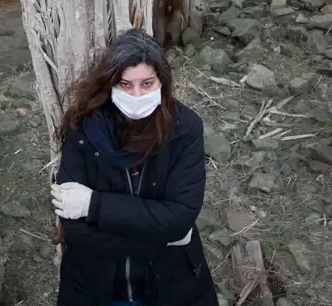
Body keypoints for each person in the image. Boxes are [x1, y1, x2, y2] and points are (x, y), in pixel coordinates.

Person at [51, 28, 217, 306]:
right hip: (95, 285)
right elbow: (76, 229)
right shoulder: (82, 128)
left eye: (147, 83)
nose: (137, 94)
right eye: (125, 85)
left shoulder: (184, 128)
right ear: (110, 84)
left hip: (171, 284)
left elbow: (179, 217)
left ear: (162, 82)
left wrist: (94, 205)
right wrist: (160, 239)